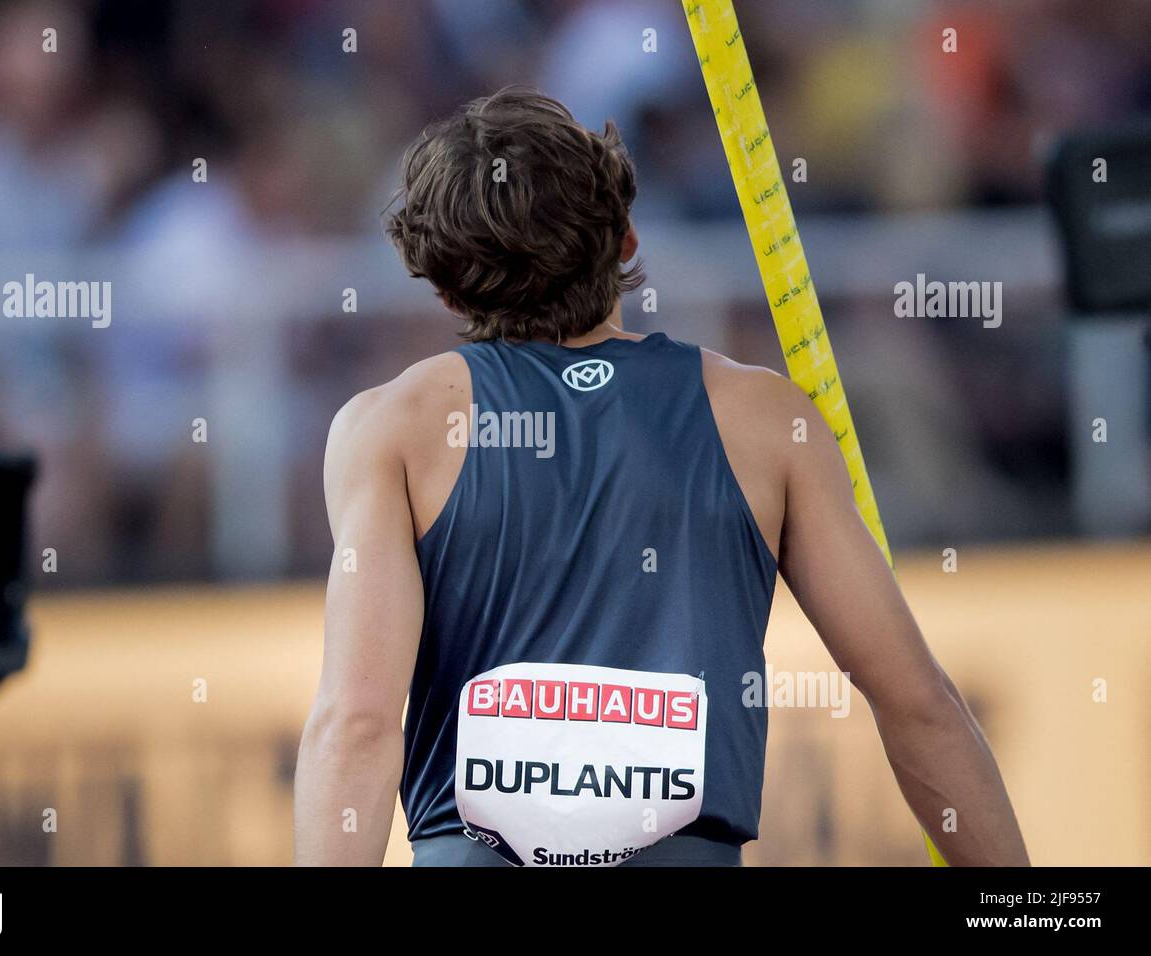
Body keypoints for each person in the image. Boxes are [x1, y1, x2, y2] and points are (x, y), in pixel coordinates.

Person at [293, 88, 1029, 867]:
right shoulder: (762, 418)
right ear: (626, 240)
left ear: (442, 284)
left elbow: (359, 724)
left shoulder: (391, 429)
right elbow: (919, 705)